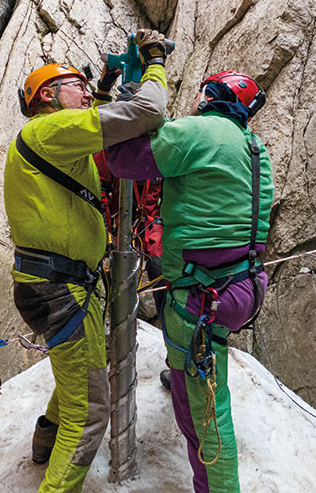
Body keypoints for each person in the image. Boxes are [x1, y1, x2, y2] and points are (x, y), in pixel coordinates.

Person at [4, 29, 170, 493]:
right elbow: (148, 111)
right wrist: (155, 62)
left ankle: (45, 441)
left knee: (82, 373)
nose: (85, 91)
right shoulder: (50, 130)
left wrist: (101, 89)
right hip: (63, 289)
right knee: (90, 414)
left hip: (61, 283)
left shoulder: (52, 137)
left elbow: (96, 135)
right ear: (48, 96)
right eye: (76, 84)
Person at [107, 70, 274, 493]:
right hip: (242, 285)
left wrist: (128, 110)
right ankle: (180, 378)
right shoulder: (254, 146)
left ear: (211, 95)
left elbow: (124, 161)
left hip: (204, 296)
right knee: (198, 388)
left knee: (205, 417)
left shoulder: (199, 132)